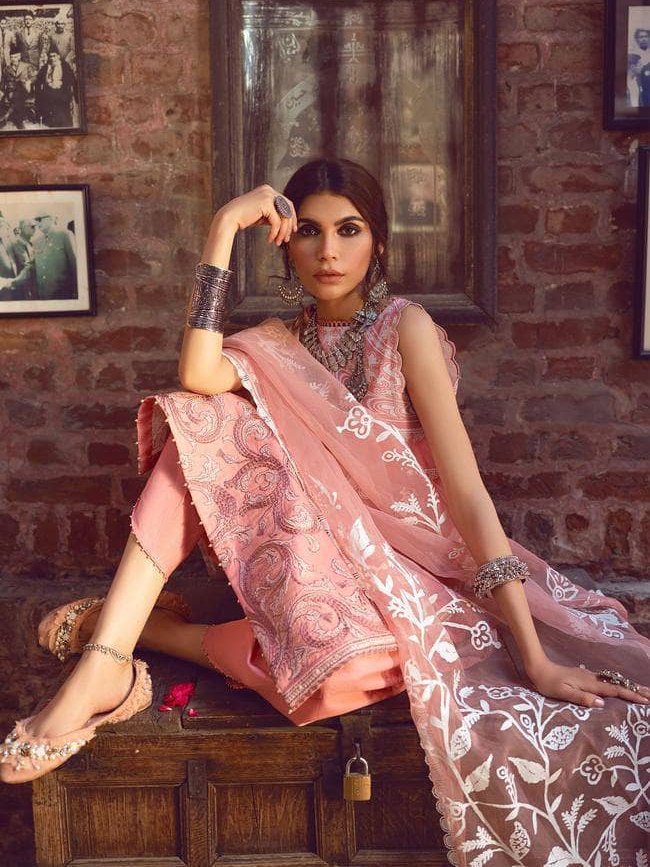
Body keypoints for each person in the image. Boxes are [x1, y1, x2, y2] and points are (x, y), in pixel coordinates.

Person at [1, 159, 649, 862]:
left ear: (379, 242)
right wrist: (223, 228)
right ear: (286, 245)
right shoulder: (276, 346)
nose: (329, 252)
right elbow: (196, 374)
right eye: (308, 232)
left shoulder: (406, 329)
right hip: (319, 561)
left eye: (349, 229)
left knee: (337, 680)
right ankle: (105, 665)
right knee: (204, 416)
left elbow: (466, 492)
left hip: (410, 569)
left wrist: (535, 657)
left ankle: (144, 632)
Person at [32, 213, 77, 299]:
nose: (37, 223)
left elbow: (75, 265)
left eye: (39, 219)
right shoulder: (36, 241)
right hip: (43, 295)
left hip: (63, 294)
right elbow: (32, 267)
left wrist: (76, 294)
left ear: (50, 219)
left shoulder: (65, 235)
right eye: (35, 220)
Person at [33, 49, 76, 129]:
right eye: (50, 56)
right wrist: (38, 92)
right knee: (48, 101)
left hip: (62, 91)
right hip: (48, 91)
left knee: (62, 110)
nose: (52, 58)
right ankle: (52, 122)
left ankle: (62, 123)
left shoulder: (65, 66)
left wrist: (74, 94)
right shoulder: (46, 67)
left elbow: (72, 80)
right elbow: (38, 80)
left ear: (58, 56)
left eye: (54, 56)